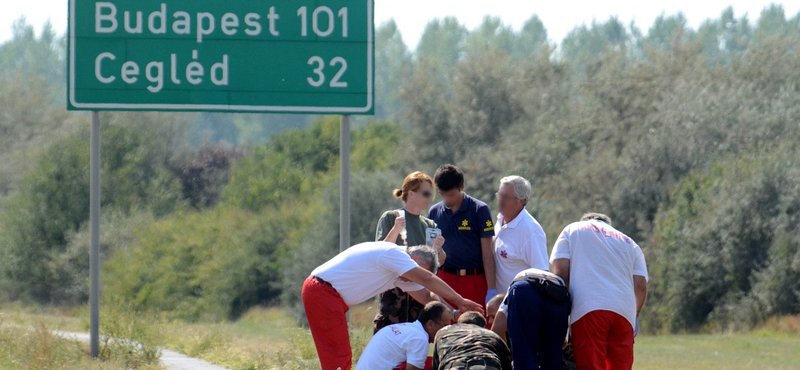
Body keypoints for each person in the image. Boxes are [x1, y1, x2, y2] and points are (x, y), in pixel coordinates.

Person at [302, 242, 483, 370]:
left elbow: (427, 296)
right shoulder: (393, 254)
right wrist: (460, 300)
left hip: (328, 295)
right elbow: (427, 279)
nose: (415, 277)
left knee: (341, 358)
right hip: (323, 292)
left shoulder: (400, 274)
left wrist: (452, 313)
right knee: (338, 361)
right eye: (417, 270)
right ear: (415, 258)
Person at [550, 213, 648, 370]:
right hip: (625, 312)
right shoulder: (630, 243)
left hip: (588, 307)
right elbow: (641, 285)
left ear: (586, 222)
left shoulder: (573, 229)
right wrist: (635, 315)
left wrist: (562, 316)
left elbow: (561, 272)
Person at [375, 171, 447, 332]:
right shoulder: (392, 217)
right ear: (411, 193)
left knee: (415, 339)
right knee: (389, 336)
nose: (430, 198)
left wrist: (439, 250)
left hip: (421, 290)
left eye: (431, 194)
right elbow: (380, 252)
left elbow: (440, 262)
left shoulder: (429, 225)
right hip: (393, 291)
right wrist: (395, 229)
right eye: (426, 193)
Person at [428, 164, 498, 310]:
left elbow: (487, 253)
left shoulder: (480, 210)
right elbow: (430, 252)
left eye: (451, 195)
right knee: (446, 327)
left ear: (462, 187)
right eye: (443, 194)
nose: (447, 199)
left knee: (477, 327)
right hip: (445, 280)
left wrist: (491, 289)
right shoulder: (434, 212)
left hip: (474, 280)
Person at [503, 268, 572, 370]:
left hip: (524, 288)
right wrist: (565, 334)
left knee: (524, 355)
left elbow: (498, 326)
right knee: (553, 359)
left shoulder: (510, 293)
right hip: (558, 292)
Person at [493, 175, 549, 294]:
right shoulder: (500, 220)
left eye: (506, 197)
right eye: (500, 195)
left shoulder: (531, 231)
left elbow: (541, 275)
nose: (500, 201)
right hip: (498, 304)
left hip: (518, 304)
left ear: (521, 201)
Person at [356, 302, 452, 370]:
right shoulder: (420, 338)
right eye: (445, 326)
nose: (448, 331)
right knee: (435, 364)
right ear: (430, 324)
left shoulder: (406, 329)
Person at [432, 311, 512, 370]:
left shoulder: (444, 332)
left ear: (459, 324)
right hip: (487, 365)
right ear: (483, 327)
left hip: (454, 365)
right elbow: (507, 365)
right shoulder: (492, 335)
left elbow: (436, 365)